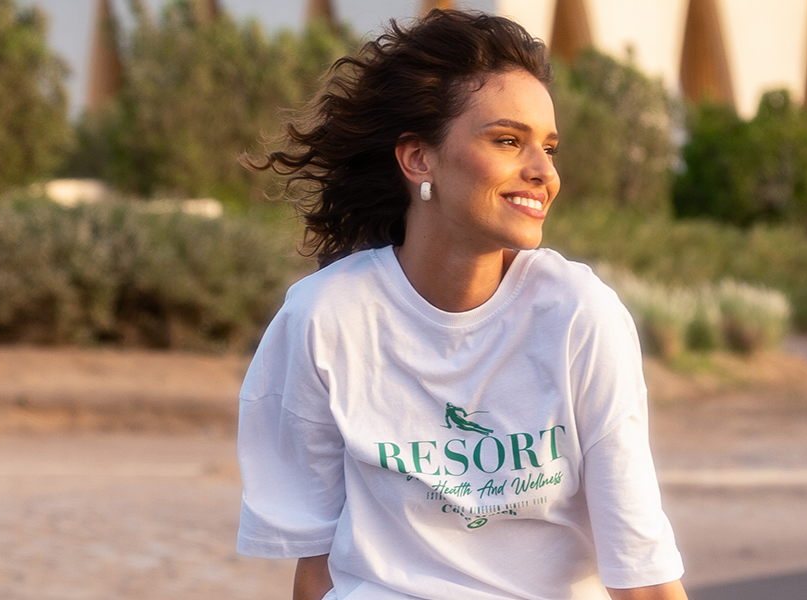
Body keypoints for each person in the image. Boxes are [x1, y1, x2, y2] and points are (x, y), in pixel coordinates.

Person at [236, 9, 688, 600]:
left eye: (548, 148)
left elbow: (644, 574)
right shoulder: (324, 319)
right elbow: (315, 571)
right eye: (507, 140)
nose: (543, 173)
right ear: (418, 159)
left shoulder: (580, 317)